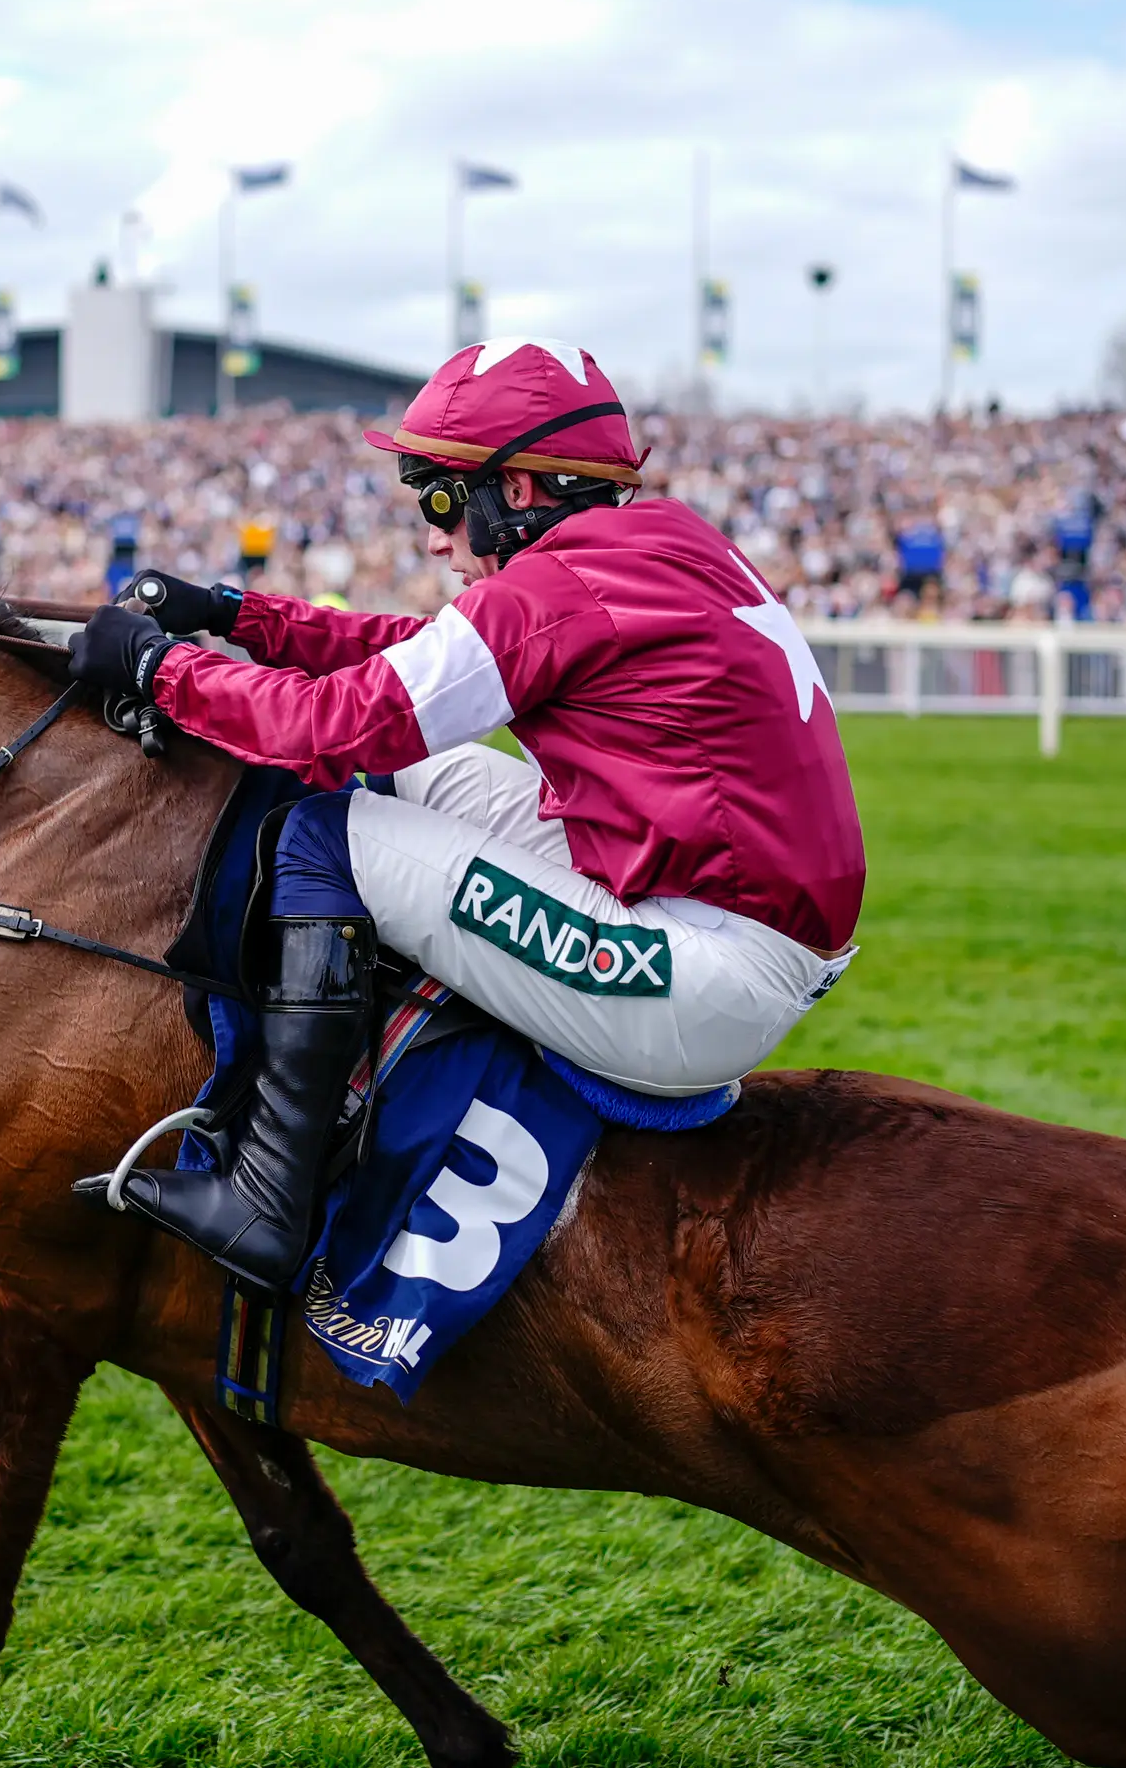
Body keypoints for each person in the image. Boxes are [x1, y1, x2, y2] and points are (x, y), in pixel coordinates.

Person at [68, 339, 867, 1292]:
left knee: (322, 833)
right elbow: (427, 650)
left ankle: (265, 1200)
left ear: (520, 491)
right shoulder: (656, 541)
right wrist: (241, 615)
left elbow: (325, 730)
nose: (435, 536)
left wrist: (161, 667)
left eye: (441, 500)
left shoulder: (565, 586)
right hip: (726, 918)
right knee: (416, 774)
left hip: (701, 973)